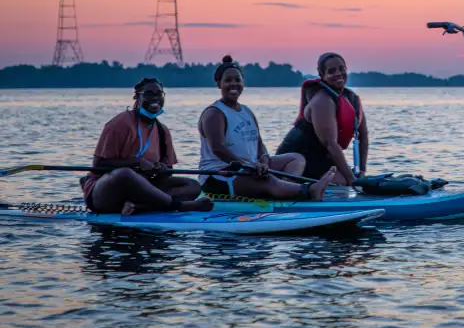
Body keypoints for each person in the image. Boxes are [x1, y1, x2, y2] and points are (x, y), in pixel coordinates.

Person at [198, 55, 336, 199]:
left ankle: (283, 188)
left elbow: (259, 143)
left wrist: (263, 160)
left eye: (237, 80)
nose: (234, 84)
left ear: (243, 82)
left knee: (296, 159)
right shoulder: (214, 113)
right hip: (219, 176)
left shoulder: (246, 111)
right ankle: (308, 190)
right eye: (228, 80)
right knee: (267, 180)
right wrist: (247, 166)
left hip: (249, 167)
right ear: (219, 84)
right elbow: (218, 148)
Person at [81, 78, 213, 214]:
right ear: (137, 98)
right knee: (125, 174)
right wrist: (136, 163)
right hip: (106, 191)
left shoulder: (163, 130)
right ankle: (181, 206)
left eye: (159, 94)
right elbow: (98, 165)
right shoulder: (120, 123)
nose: (155, 98)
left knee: (193, 186)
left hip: (145, 189)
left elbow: (168, 171)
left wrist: (161, 169)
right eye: (149, 94)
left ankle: (138, 206)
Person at [276, 52, 368, 186]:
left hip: (323, 158)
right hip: (299, 160)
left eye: (341, 68)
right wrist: (353, 180)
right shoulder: (322, 100)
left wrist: (362, 172)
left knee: (345, 179)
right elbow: (331, 144)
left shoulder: (352, 99)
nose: (338, 73)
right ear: (322, 76)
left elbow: (363, 136)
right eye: (331, 71)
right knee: (343, 181)